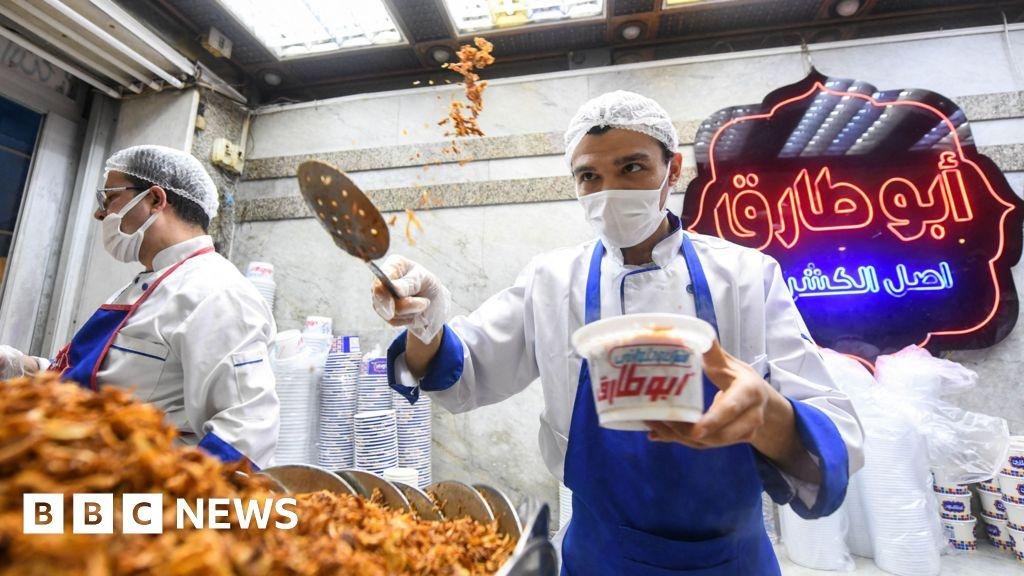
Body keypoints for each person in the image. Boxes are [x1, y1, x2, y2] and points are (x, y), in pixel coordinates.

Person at [372, 91, 864, 574]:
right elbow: (464, 373)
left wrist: (768, 417)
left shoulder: (747, 275)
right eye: (589, 176)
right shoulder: (551, 280)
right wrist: (425, 322)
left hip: (731, 559)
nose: (609, 191)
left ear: (673, 169)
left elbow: (837, 433)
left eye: (632, 167)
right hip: (599, 556)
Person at [0, 145, 278, 468]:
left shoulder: (218, 293)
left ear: (156, 200)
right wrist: (21, 367)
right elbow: (97, 380)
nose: (100, 214)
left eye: (109, 197)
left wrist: (166, 496)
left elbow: (246, 431)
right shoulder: (142, 286)